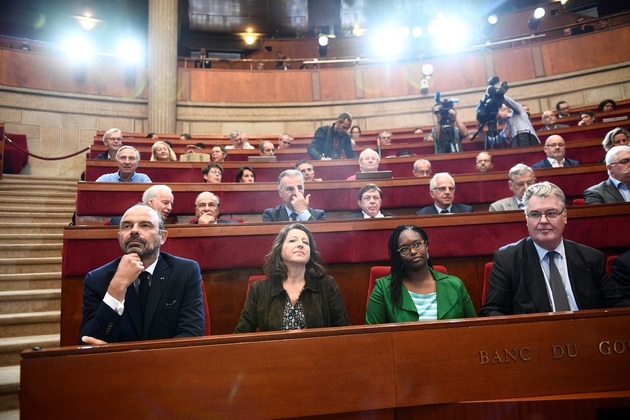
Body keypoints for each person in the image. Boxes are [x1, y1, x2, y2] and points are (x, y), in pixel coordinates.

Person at [480, 182, 629, 316]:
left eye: (551, 213)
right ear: (527, 220)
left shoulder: (590, 257)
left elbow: (618, 307)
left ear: (564, 216)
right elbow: (493, 312)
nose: (543, 221)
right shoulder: (507, 259)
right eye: (535, 214)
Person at [79, 203, 204, 344]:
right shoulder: (96, 279)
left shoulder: (185, 272)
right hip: (117, 366)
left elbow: (192, 334)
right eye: (127, 226)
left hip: (167, 364)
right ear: (119, 237)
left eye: (145, 225)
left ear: (162, 237)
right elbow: (89, 342)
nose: (134, 231)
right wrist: (117, 286)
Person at [234, 223, 350, 332]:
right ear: (279, 251)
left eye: (305, 242)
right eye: (292, 240)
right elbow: (241, 335)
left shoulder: (327, 285)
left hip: (316, 352)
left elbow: (344, 331)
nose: (300, 244)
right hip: (273, 353)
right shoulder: (259, 289)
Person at [365, 225, 476, 324]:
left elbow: (474, 330)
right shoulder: (383, 289)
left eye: (417, 244)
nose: (413, 251)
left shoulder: (455, 285)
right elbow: (373, 337)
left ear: (426, 246)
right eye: (404, 249)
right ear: (398, 256)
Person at [108, 185, 175, 226]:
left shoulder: (164, 227)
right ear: (151, 202)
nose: (170, 208)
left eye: (171, 204)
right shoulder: (119, 222)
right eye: (165, 203)